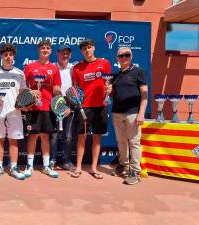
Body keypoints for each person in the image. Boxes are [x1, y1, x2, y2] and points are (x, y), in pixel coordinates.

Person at [71, 38, 111, 179]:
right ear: (81, 51)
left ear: (93, 48)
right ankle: (78, 168)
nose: (87, 50)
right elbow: (75, 89)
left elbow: (109, 83)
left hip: (101, 106)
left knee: (97, 138)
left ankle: (94, 168)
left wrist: (110, 89)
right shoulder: (77, 68)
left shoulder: (105, 63)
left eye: (89, 47)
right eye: (84, 49)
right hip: (84, 107)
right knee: (81, 137)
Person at [23, 40, 62, 178]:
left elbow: (56, 87)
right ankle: (29, 166)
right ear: (38, 50)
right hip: (33, 107)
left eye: (48, 48)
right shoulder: (29, 67)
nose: (45, 50)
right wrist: (30, 93)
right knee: (33, 136)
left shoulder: (54, 68)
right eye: (43, 48)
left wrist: (60, 98)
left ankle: (46, 166)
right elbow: (23, 87)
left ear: (50, 51)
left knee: (46, 137)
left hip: (48, 107)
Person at [109, 47, 148, 185]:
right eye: (121, 56)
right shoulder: (116, 75)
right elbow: (111, 95)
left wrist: (141, 113)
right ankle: (123, 166)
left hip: (133, 113)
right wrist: (108, 91)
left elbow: (144, 95)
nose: (124, 58)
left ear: (131, 56)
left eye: (127, 55)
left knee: (134, 143)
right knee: (121, 142)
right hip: (117, 113)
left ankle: (135, 171)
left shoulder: (139, 72)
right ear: (117, 58)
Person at [0, 43, 26, 180]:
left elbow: (23, 92)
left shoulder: (20, 74)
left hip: (15, 112)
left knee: (14, 140)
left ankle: (14, 167)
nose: (8, 57)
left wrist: (22, 104)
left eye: (10, 55)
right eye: (6, 55)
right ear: (1, 56)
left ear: (13, 56)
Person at [49, 44, 77, 172]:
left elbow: (76, 88)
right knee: (54, 135)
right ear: (57, 54)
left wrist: (71, 104)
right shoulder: (52, 68)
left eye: (67, 53)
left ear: (70, 55)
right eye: (62, 53)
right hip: (55, 103)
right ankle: (52, 160)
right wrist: (58, 102)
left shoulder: (74, 69)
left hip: (69, 105)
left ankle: (67, 161)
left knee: (68, 135)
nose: (65, 55)